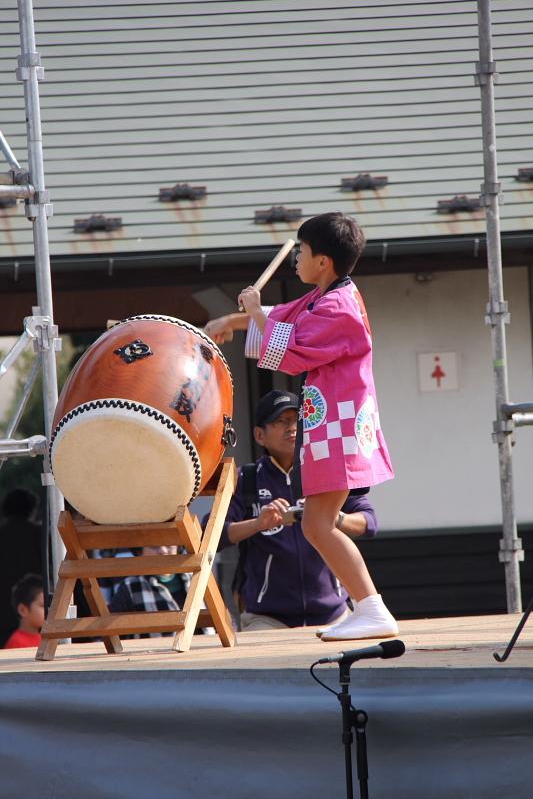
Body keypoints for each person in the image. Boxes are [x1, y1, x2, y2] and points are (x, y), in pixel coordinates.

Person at [205, 212, 398, 641]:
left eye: (303, 251)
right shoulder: (325, 297)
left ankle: (372, 607)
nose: (296, 258)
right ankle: (369, 607)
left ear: (324, 261)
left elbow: (289, 352)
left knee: (318, 524)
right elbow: (284, 317)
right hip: (330, 426)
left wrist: (253, 313)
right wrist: (234, 320)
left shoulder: (339, 307)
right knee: (317, 523)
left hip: (339, 428)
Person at [213, 389, 380, 632]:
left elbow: (370, 522)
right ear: (260, 435)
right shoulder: (246, 479)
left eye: (297, 421)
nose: (292, 428)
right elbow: (213, 535)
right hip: (266, 619)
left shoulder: (327, 472)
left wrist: (334, 517)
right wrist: (258, 524)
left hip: (335, 613)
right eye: (281, 421)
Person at [109, 544, 189, 638]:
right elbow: (112, 633)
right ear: (139, 551)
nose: (163, 551)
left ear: (178, 548)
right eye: (154, 546)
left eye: (169, 544)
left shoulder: (194, 579)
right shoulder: (130, 588)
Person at [0, 488, 42, 647]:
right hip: (32, 606)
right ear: (32, 510)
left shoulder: (2, 534)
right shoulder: (39, 535)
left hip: (3, 612)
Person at [3, 574, 44, 649]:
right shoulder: (16, 642)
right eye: (42, 606)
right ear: (23, 610)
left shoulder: (44, 639)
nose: (48, 610)